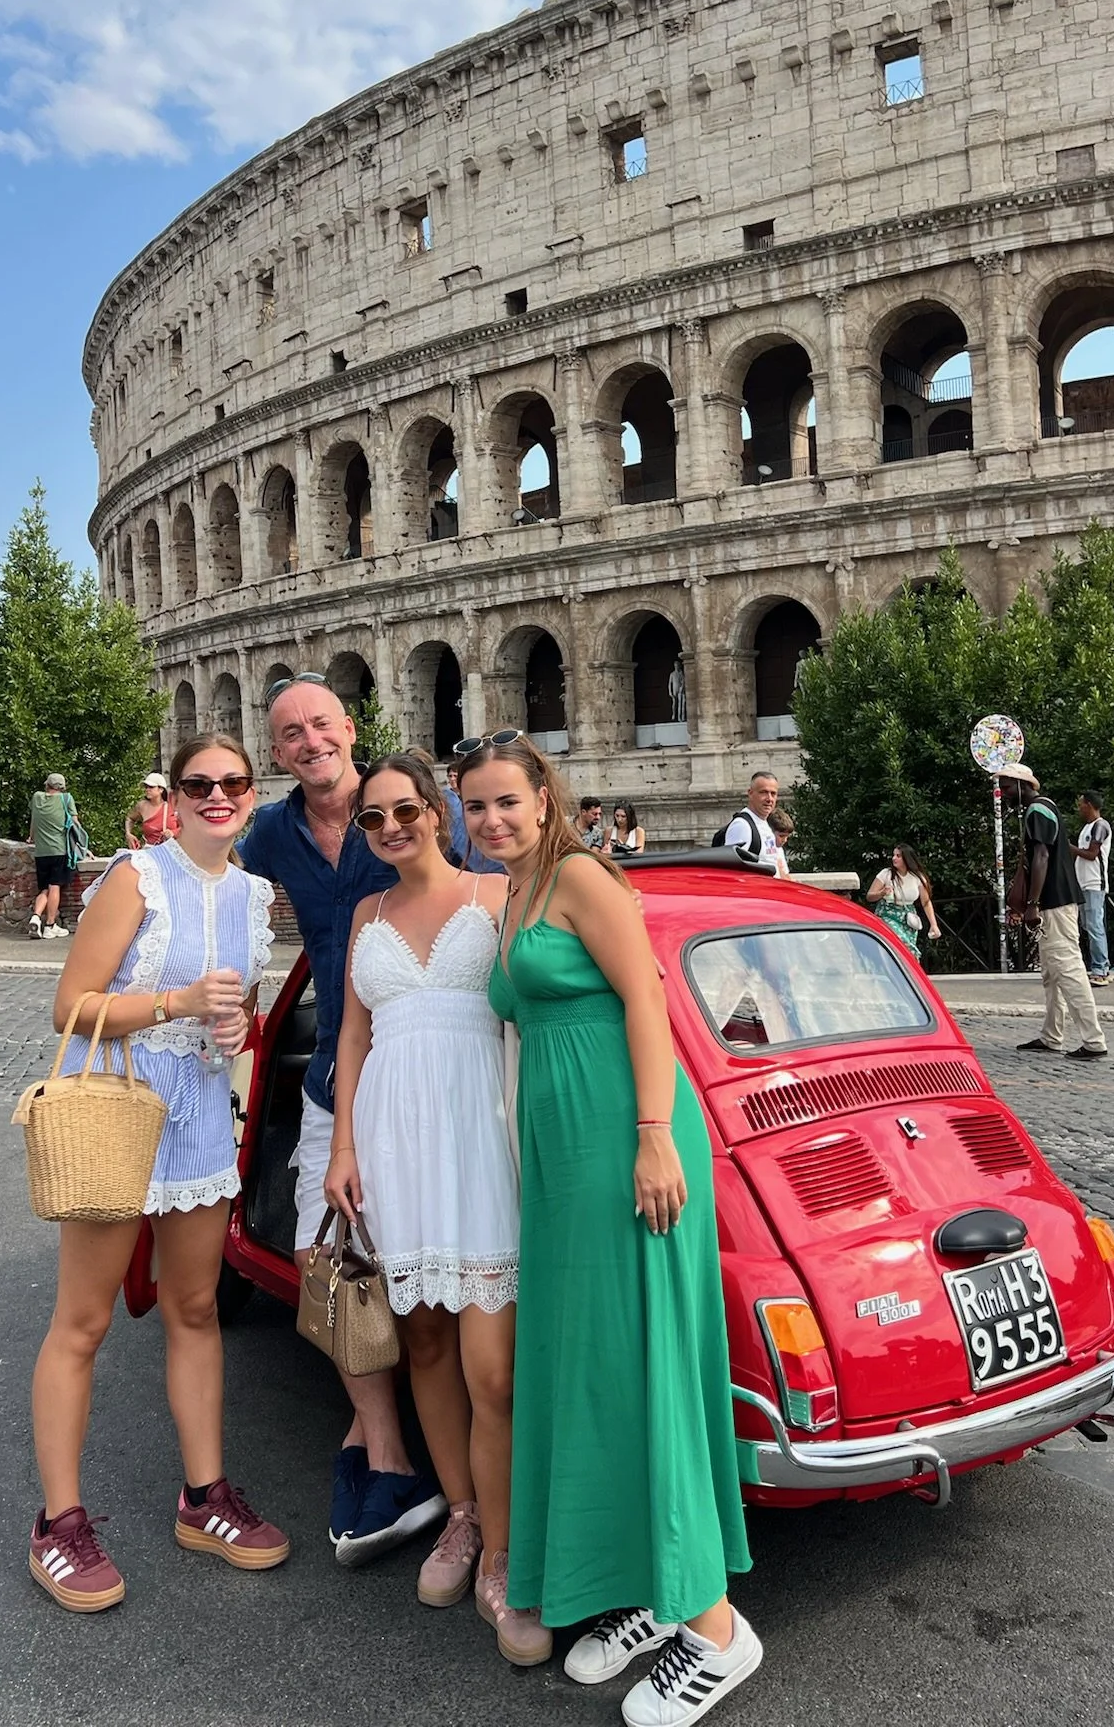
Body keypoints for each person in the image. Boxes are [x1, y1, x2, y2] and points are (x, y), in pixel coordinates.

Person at [457, 731, 760, 1724]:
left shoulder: (582, 874)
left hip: (624, 1138)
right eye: (478, 806)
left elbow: (647, 997)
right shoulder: (514, 893)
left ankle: (714, 1625)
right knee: (589, 1363)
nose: (492, 819)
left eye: (508, 800)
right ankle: (650, 1588)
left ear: (546, 797)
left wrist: (650, 1138)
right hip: (562, 1151)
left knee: (641, 1362)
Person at [28, 734, 288, 1611]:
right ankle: (58, 1523)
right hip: (118, 1109)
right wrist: (174, 1003)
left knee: (195, 1308)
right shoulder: (136, 877)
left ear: (253, 796)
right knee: (85, 1320)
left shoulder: (255, 895)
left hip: (202, 1121)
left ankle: (204, 1498)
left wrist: (232, 1027)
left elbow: (241, 1004)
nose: (218, 796)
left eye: (234, 784)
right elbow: (72, 1005)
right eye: (199, 784)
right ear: (174, 796)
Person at [322, 756, 541, 1659]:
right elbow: (352, 1032)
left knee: (495, 1368)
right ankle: (460, 1514)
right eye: (373, 820)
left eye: (404, 810)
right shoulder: (367, 914)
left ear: (437, 813)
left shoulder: (497, 897)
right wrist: (341, 1148)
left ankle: (503, 1546)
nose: (390, 829)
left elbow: (540, 1011)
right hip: (391, 1143)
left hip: (481, 1136)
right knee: (423, 1342)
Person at [235, 675, 444, 1561]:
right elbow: (221, 895)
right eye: (290, 733)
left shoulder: (403, 806)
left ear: (349, 729)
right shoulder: (273, 833)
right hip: (333, 1067)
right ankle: (388, 1448)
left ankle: (408, 1438)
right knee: (328, 1256)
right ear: (278, 752)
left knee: (432, 1248)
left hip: (432, 1065)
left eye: (321, 724)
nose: (310, 741)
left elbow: (487, 888)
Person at [1002, 763, 1109, 1061]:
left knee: (1068, 968)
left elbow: (1041, 855)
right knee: (1052, 974)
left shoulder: (1036, 811)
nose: (1004, 793)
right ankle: (1052, 1035)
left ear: (1022, 785)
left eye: (1008, 787)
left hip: (1054, 903)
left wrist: (1033, 903)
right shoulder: (1043, 808)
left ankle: (1093, 1040)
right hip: (1057, 901)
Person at [27, 772, 78, 940]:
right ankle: (50, 925)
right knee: (55, 886)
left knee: (44, 889)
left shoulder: (37, 797)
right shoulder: (66, 799)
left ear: (47, 785)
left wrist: (31, 837)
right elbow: (75, 825)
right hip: (59, 850)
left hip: (41, 851)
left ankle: (36, 916)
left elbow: (34, 819)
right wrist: (82, 846)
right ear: (62, 787)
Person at [867, 845, 941, 957]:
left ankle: (906, 972)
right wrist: (881, 893)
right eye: (893, 855)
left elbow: (926, 902)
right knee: (902, 944)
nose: (894, 858)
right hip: (887, 914)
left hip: (908, 918)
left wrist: (933, 924)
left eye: (898, 856)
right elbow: (869, 896)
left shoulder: (917, 877)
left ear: (907, 859)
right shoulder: (886, 874)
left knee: (906, 952)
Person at [1075, 791, 1112, 984]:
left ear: (1089, 805)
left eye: (1081, 804)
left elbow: (1091, 854)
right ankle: (1097, 966)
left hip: (1095, 883)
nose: (1079, 807)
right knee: (1088, 925)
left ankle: (1101, 968)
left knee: (1095, 925)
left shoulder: (1100, 826)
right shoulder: (1087, 828)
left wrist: (1068, 848)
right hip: (1084, 882)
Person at [721, 772, 780, 867]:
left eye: (773, 794)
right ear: (750, 793)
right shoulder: (742, 825)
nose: (769, 799)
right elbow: (732, 867)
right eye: (763, 792)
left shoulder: (766, 823)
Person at [125, 772, 180, 850]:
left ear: (161, 789)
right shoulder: (142, 806)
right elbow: (130, 818)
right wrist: (128, 834)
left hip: (170, 850)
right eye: (146, 787)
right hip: (150, 851)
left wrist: (173, 833)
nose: (147, 789)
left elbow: (186, 827)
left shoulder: (172, 805)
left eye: (151, 787)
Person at [769, 807, 795, 878]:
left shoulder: (779, 849)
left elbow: (785, 874)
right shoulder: (767, 850)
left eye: (787, 837)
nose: (785, 840)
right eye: (781, 836)